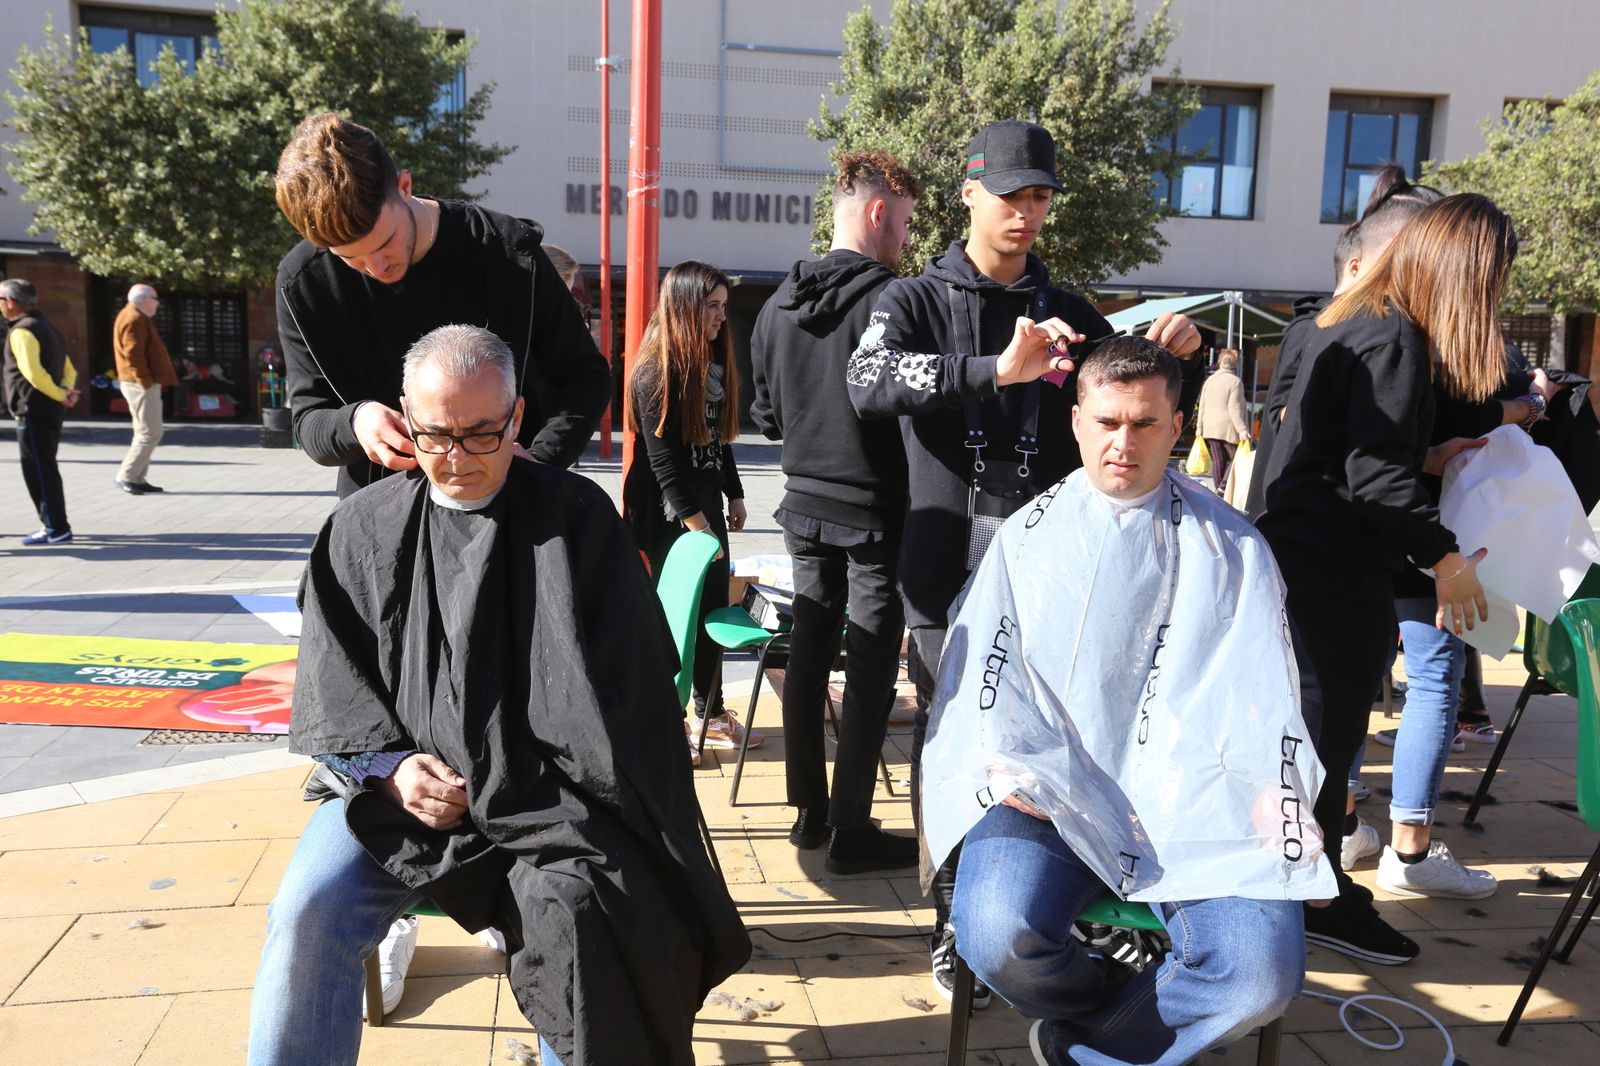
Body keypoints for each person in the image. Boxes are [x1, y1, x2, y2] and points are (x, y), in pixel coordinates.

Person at [247, 325, 750, 1066]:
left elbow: (628, 697)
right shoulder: (361, 527)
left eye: (482, 435)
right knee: (306, 911)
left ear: (516, 419)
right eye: (435, 436)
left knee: (584, 921)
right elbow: (334, 689)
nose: (456, 460)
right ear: (405, 420)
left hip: (554, 800)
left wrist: (521, 778)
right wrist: (384, 768)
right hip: (402, 795)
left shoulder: (578, 521)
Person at [845, 118, 1203, 1003]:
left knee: (1055, 741)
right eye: (1011, 195)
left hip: (1057, 568)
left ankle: (1041, 906)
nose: (1027, 213)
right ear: (968, 193)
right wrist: (989, 371)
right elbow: (866, 381)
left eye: (1040, 196)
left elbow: (1124, 397)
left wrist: (1171, 359)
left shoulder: (1071, 311)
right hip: (943, 560)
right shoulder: (914, 299)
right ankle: (951, 923)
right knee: (952, 746)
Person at [924, 338, 1333, 1066]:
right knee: (991, 932)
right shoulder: (1027, 539)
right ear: (1077, 419)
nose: (1123, 442)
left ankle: (1097, 1045)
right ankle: (1121, 1012)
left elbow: (1277, 689)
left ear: (1178, 427)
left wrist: (1282, 790)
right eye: (1108, 421)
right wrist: (1007, 767)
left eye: (1145, 424)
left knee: (1261, 976)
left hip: (1202, 796)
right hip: (1052, 795)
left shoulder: (1236, 548)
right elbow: (981, 686)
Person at [1253, 193, 1518, 964]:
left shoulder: (1331, 322)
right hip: (1334, 577)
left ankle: (1314, 888)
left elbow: (1332, 456)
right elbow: (1374, 484)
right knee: (1325, 749)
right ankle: (1311, 901)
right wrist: (1446, 560)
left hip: (1291, 564)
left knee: (1308, 749)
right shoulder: (1395, 336)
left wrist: (1424, 460)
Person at [274, 112, 610, 500]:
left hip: (511, 503)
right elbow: (308, 420)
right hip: (382, 514)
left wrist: (539, 460)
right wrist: (354, 422)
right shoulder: (303, 282)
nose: (376, 268)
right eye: (351, 260)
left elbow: (585, 375)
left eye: (385, 243)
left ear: (404, 186)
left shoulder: (505, 252)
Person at [749, 150, 921, 873]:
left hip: (804, 503)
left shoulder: (777, 304)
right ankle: (852, 830)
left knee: (810, 654)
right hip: (877, 509)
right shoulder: (895, 301)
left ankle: (809, 813)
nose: (908, 239)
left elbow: (764, 416)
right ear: (878, 212)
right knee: (874, 668)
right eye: (907, 223)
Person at [623, 260, 761, 761]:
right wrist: (698, 526)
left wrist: (736, 493)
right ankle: (670, 718)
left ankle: (711, 709)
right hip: (666, 511)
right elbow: (661, 462)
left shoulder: (711, 363)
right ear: (684, 308)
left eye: (725, 306)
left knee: (712, 609)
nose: (722, 317)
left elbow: (718, 441)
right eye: (713, 306)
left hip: (702, 504)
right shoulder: (654, 370)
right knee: (674, 616)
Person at [1, 278, 79, 545]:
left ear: (11, 302)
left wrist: (60, 394)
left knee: (38, 471)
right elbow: (69, 369)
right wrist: (66, 392)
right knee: (45, 467)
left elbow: (33, 374)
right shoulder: (48, 327)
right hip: (49, 408)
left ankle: (55, 528)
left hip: (33, 409)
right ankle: (55, 525)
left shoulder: (22, 332)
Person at [112, 283, 178, 494]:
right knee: (150, 432)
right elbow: (133, 355)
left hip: (137, 383)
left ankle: (138, 477)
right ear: (146, 300)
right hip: (139, 384)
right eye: (156, 299)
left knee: (145, 431)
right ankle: (128, 475)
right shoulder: (134, 318)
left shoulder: (133, 316)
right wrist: (145, 381)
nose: (158, 304)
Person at [1194, 347, 1250, 492]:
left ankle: (1219, 490)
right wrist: (1242, 429)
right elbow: (1234, 408)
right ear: (1235, 363)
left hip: (1209, 427)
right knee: (1236, 458)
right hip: (1228, 428)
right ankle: (1224, 486)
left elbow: (1202, 405)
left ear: (1219, 362)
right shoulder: (1235, 381)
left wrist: (1199, 428)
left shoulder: (1210, 380)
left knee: (1218, 460)